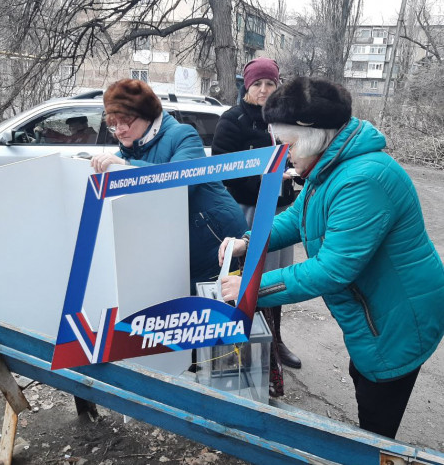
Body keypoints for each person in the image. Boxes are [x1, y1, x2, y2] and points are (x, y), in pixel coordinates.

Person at [218, 75, 444, 438]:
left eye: (286, 144)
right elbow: (300, 216)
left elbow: (332, 269)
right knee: (366, 377)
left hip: (398, 316)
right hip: (374, 311)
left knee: (378, 405)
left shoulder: (363, 179)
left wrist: (250, 287)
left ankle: (375, 450)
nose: (283, 153)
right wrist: (249, 241)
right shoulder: (331, 164)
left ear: (312, 137)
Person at [90, 78, 248, 294]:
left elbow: (178, 185)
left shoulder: (183, 135)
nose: (120, 130)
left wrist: (127, 167)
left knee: (216, 315)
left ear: (146, 115)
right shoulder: (124, 155)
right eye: (114, 124)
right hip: (176, 249)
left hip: (215, 241)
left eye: (126, 121)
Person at [212, 57, 302, 396]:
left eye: (270, 84)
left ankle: (276, 342)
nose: (264, 90)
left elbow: (296, 160)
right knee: (249, 280)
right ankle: (249, 347)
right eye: (257, 84)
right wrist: (267, 180)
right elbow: (225, 173)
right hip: (248, 211)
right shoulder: (232, 121)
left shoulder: (284, 121)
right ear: (246, 87)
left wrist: (290, 180)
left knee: (276, 281)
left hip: (281, 214)